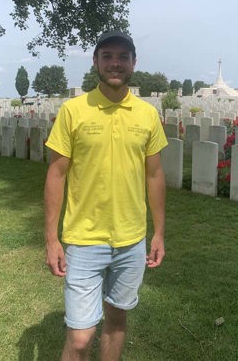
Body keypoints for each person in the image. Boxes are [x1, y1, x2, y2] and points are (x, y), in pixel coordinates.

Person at [44, 30, 168, 360]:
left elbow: (154, 175)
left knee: (116, 319)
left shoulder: (147, 114)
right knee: (81, 338)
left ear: (133, 63)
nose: (115, 63)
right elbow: (56, 174)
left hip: (131, 240)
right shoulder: (74, 111)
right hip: (84, 240)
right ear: (96, 62)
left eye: (123, 57)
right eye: (108, 56)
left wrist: (158, 233)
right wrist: (51, 239)